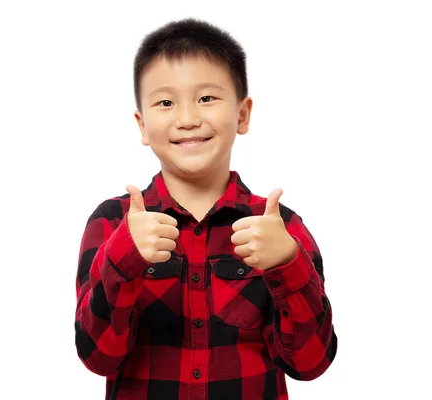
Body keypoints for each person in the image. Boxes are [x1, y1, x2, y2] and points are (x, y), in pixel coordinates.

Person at [74, 17, 337, 400]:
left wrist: (287, 263)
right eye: (165, 102)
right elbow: (98, 358)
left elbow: (310, 364)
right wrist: (124, 259)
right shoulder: (113, 222)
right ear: (142, 125)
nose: (187, 119)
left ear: (242, 114)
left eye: (206, 98)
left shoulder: (279, 226)